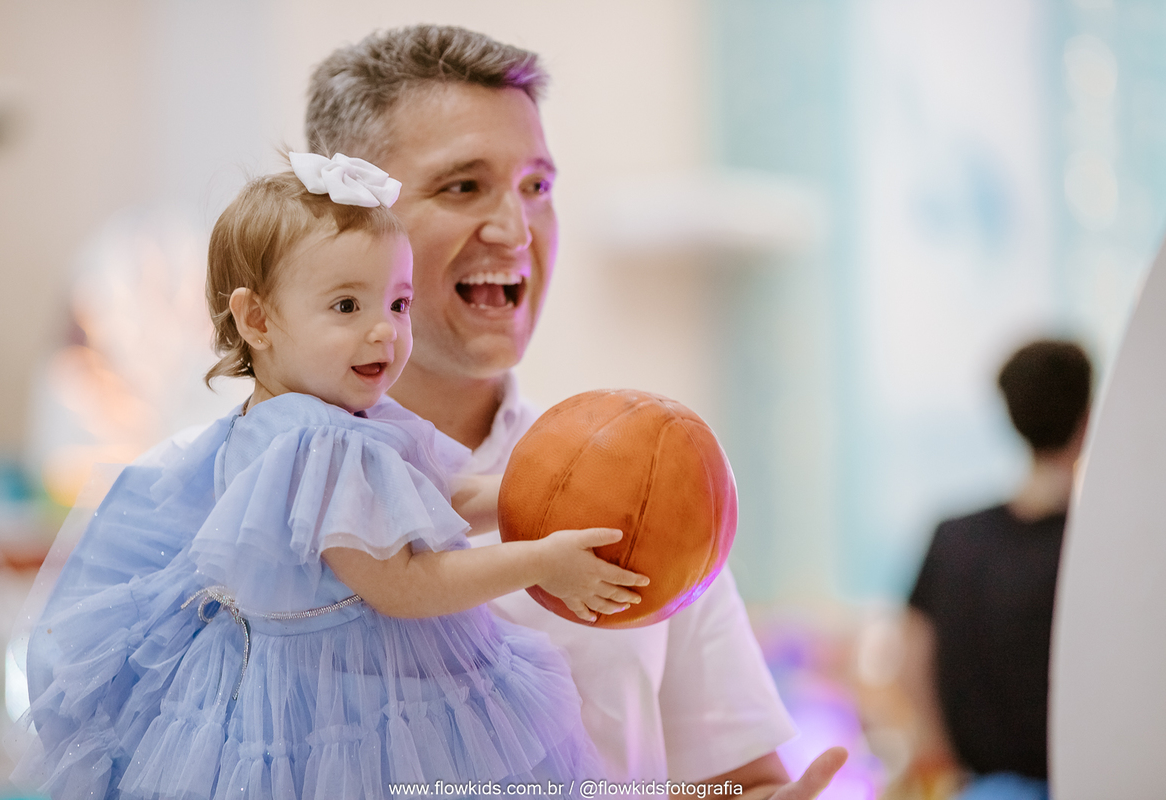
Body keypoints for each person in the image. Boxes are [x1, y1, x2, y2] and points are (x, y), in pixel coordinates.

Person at [305, 25, 846, 798]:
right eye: (463, 187)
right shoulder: (244, 493)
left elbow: (737, 781)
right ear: (343, 224)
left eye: (536, 187)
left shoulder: (650, 481)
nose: (515, 230)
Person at [14, 153, 653, 798]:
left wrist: (545, 498)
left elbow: (432, 501)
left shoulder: (303, 422)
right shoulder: (315, 444)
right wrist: (538, 562)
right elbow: (403, 583)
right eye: (347, 305)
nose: (385, 331)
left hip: (332, 682)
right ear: (257, 320)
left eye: (398, 303)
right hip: (334, 701)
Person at [900, 339, 1093, 800]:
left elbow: (910, 659)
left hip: (978, 789)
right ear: (1087, 419)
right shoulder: (1093, 548)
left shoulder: (953, 540)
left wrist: (941, 758)